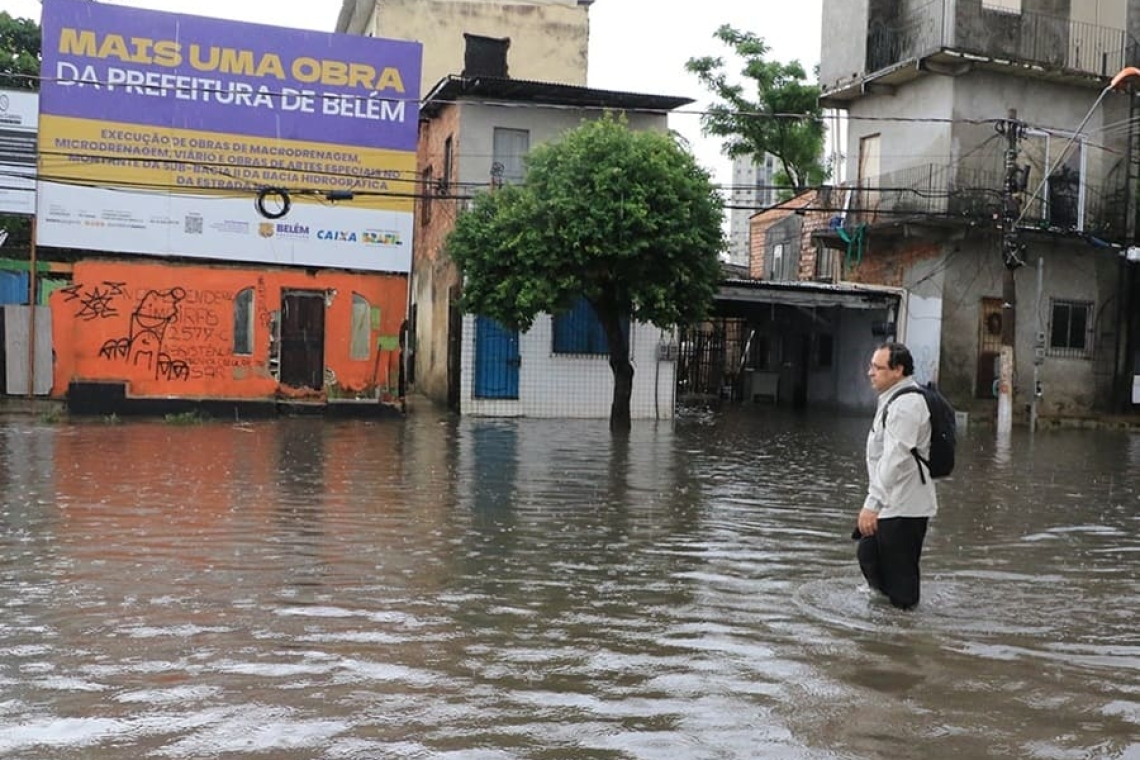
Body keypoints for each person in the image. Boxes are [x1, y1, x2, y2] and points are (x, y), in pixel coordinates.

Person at [854, 341, 938, 609]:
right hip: (891, 503)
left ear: (898, 370)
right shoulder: (893, 400)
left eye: (877, 367)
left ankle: (904, 637)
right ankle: (884, 627)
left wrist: (872, 504)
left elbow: (895, 458)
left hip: (905, 508)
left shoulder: (907, 405)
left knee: (903, 590)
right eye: (871, 366)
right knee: (868, 552)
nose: (870, 372)